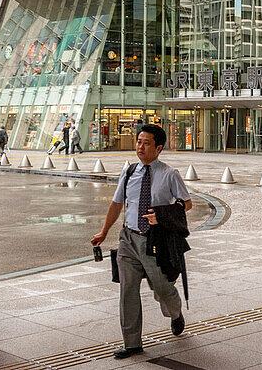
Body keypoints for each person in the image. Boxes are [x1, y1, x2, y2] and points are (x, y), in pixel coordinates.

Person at [92, 123, 192, 360]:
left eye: (146, 143)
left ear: (158, 148)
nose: (140, 147)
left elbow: (186, 203)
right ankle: (132, 343)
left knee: (161, 287)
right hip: (128, 239)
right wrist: (104, 232)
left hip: (154, 241)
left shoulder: (169, 174)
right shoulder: (128, 172)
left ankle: (175, 313)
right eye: (138, 142)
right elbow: (116, 204)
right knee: (127, 290)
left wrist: (163, 215)